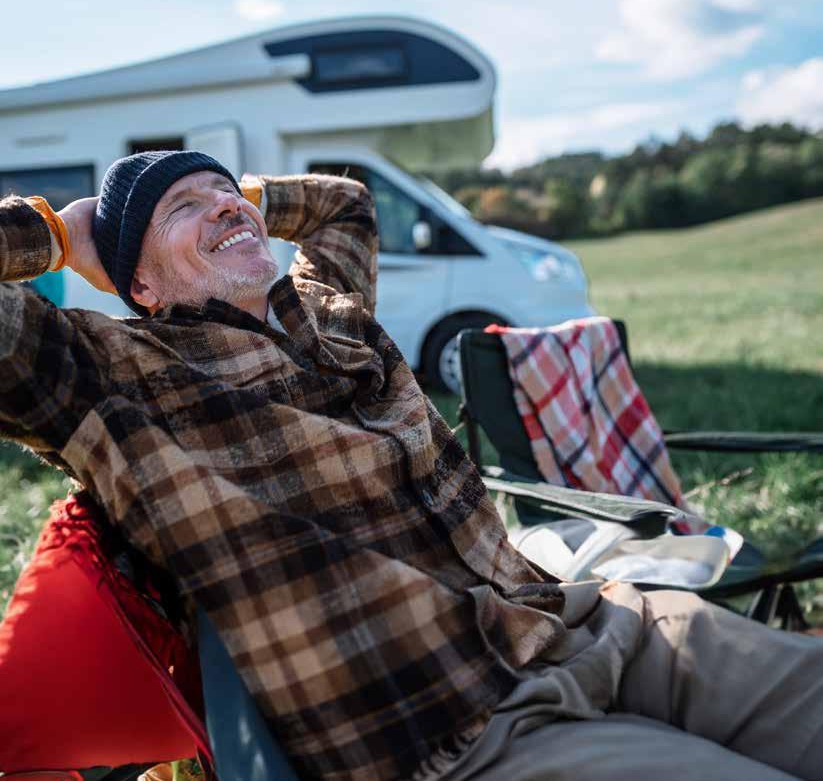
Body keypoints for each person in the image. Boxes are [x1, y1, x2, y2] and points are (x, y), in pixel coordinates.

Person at [0, 150, 820, 781]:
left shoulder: (332, 314)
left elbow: (345, 204)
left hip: (584, 623)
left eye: (225, 191)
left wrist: (235, 204)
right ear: (138, 282)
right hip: (455, 733)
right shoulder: (109, 377)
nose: (223, 203)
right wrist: (63, 235)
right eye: (183, 205)